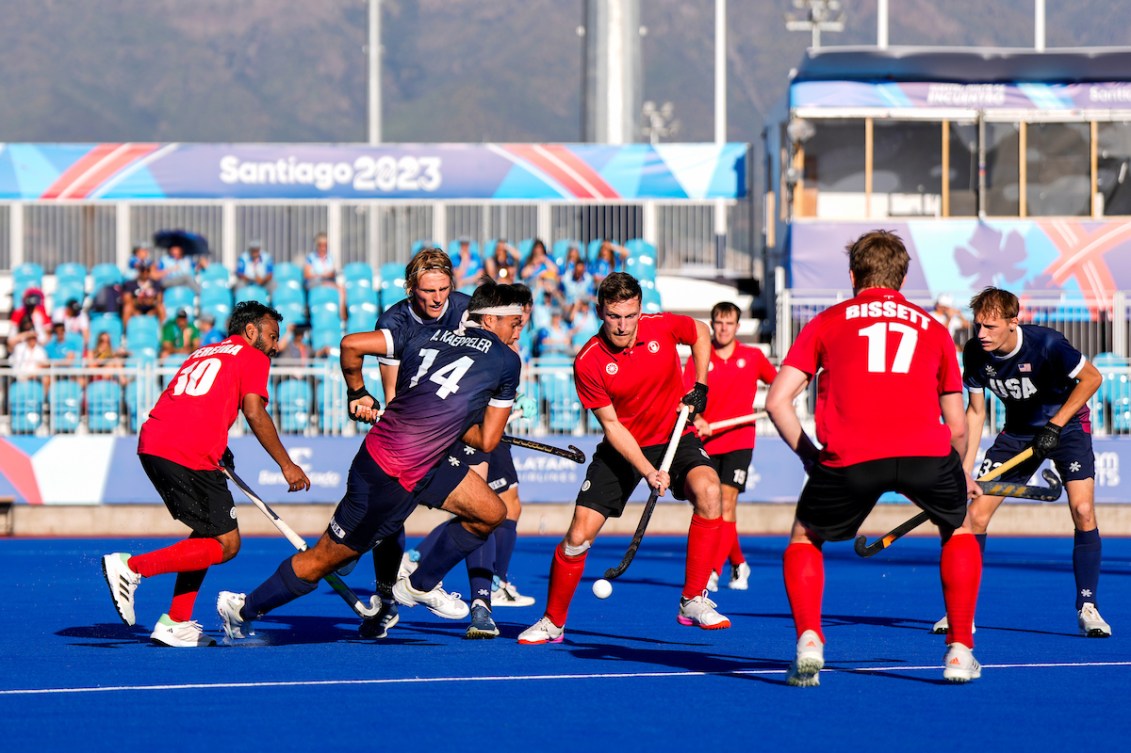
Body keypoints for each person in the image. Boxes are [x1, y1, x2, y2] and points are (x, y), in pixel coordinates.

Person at [215, 283, 524, 642]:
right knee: (323, 560)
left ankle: (419, 585)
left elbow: (354, 347)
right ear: (490, 319)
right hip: (389, 473)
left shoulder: (429, 336)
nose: (518, 332)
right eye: (515, 324)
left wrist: (359, 392)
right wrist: (480, 427)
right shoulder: (506, 360)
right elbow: (486, 440)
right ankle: (242, 608)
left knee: (489, 511)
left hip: (419, 458)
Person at [764, 229, 983, 686]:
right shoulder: (934, 328)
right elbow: (958, 425)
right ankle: (960, 649)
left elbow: (777, 402)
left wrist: (810, 457)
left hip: (850, 456)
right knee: (958, 528)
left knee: (805, 538)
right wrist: (960, 472)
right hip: (927, 452)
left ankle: (809, 639)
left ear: (852, 274)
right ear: (902, 278)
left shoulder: (826, 322)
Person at [518, 272, 728, 645]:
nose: (623, 325)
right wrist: (647, 471)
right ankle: (553, 620)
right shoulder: (589, 361)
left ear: (640, 310)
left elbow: (699, 331)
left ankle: (693, 598)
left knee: (710, 491)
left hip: (673, 436)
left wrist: (700, 385)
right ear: (600, 311)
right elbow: (613, 427)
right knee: (578, 536)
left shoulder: (660, 327)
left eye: (630, 315)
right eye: (614, 316)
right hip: (623, 446)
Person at [100, 301, 311, 647]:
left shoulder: (205, 350)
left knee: (206, 532)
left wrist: (219, 445)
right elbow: (255, 413)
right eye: (272, 336)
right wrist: (287, 465)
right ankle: (133, 567)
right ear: (251, 331)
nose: (275, 346)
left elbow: (197, 402)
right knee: (226, 544)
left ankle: (176, 622)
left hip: (155, 442)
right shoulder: (252, 356)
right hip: (188, 451)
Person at [368, 250, 535, 640]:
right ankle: (388, 596)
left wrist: (506, 400)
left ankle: (481, 604)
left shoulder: (464, 308)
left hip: (471, 421)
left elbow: (504, 350)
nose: (438, 298)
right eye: (429, 290)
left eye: (444, 289)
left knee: (492, 507)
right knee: (389, 518)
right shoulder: (393, 323)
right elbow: (395, 395)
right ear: (411, 288)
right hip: (418, 430)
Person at [929, 286, 1109, 638]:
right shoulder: (976, 354)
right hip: (1018, 436)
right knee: (975, 516)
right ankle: (960, 612)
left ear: (1014, 322)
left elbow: (1093, 379)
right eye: (979, 325)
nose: (981, 334)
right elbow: (977, 411)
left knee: (1083, 510)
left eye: (990, 327)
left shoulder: (1047, 344)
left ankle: (1088, 607)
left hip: (1068, 427)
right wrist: (964, 470)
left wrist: (1055, 426)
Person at [685, 301, 777, 592]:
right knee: (710, 507)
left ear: (738, 326)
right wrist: (697, 417)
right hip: (705, 440)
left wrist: (785, 398)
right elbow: (687, 394)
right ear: (713, 325)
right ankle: (739, 561)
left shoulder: (753, 356)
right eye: (719, 323)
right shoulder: (700, 356)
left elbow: (779, 383)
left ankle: (713, 569)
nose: (724, 329)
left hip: (739, 440)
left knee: (727, 503)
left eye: (730, 323)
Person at [122, 260, 165, 327]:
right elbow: (127, 300)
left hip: (151, 309)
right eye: (143, 270)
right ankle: (126, 333)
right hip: (136, 308)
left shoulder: (156, 284)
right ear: (139, 271)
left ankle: (162, 332)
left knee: (161, 308)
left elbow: (159, 300)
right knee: (127, 308)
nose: (145, 272)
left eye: (147, 270)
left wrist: (153, 311)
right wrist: (135, 310)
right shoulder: (130, 284)